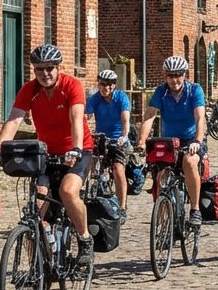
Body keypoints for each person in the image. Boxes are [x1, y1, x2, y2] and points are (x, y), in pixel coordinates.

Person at [0, 44, 94, 263]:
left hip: (78, 150)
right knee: (36, 208)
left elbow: (76, 119)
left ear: (58, 67)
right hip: (46, 153)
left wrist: (76, 148)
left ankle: (84, 238)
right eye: (39, 69)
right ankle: (35, 270)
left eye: (50, 68)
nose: (45, 73)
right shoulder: (30, 90)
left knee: (68, 191)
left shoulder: (72, 85)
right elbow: (14, 119)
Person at [139, 55, 207, 227]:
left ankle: (195, 209)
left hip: (190, 140)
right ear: (166, 76)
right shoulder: (161, 92)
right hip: (169, 141)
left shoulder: (194, 90)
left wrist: (197, 141)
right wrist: (141, 141)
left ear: (185, 74)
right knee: (161, 174)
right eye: (171, 75)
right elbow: (150, 116)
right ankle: (163, 221)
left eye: (178, 75)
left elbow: (200, 117)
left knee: (189, 161)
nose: (174, 79)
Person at [85, 69, 133, 217]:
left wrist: (124, 136)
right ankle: (88, 197)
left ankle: (122, 206)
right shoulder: (95, 98)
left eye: (109, 85)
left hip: (117, 139)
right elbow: (85, 116)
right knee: (90, 167)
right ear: (98, 84)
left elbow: (126, 120)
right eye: (102, 84)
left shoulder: (121, 98)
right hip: (101, 138)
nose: (105, 88)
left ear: (113, 85)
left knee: (118, 169)